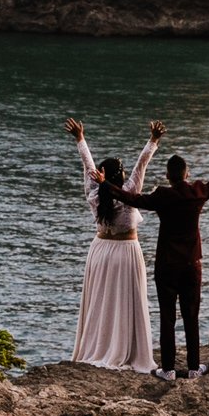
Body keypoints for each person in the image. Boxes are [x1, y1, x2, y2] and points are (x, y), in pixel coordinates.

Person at [127, 129, 209, 377]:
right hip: (192, 264)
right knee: (191, 315)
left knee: (167, 317)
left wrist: (103, 184)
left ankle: (169, 370)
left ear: (167, 176)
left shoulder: (162, 196)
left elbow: (132, 199)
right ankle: (195, 368)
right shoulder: (197, 193)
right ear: (187, 174)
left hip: (166, 265)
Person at [65, 116, 165, 372]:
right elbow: (142, 164)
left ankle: (98, 345)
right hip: (126, 250)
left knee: (100, 301)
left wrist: (80, 139)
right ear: (119, 176)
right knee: (126, 300)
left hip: (100, 250)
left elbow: (86, 164)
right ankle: (125, 348)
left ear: (101, 175)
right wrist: (153, 140)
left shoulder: (95, 193)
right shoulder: (130, 190)